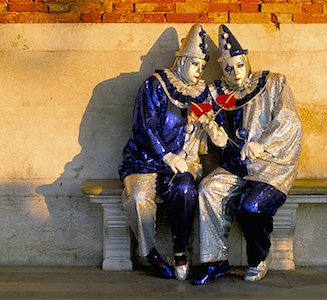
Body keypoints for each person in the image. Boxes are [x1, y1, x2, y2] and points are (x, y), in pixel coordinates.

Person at [191, 24, 302, 285]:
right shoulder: (219, 94)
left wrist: (262, 144)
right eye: (228, 68)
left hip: (271, 164)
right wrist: (213, 133)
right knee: (208, 188)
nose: (236, 72)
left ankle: (258, 258)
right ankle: (215, 261)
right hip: (238, 165)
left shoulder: (273, 83)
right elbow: (206, 121)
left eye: (239, 65)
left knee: (251, 207)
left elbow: (290, 121)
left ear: (246, 61)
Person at [118, 24, 228, 281]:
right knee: (137, 198)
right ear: (182, 61)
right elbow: (145, 127)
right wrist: (167, 156)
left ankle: (181, 251)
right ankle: (151, 253)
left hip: (186, 163)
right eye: (195, 64)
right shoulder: (155, 86)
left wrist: (215, 132)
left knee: (185, 189)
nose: (199, 71)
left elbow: (215, 128)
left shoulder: (203, 93)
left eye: (202, 66)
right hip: (145, 160)